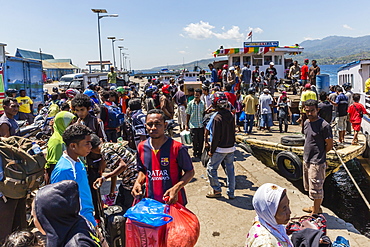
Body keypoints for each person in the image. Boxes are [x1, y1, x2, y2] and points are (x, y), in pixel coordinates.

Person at [132, 109, 195, 205]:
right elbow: (143, 171)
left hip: (174, 201)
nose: (153, 128)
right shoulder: (141, 147)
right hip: (151, 202)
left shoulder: (177, 148)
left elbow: (190, 172)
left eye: (158, 124)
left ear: (165, 125)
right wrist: (138, 183)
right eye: (149, 124)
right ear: (145, 126)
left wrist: (176, 188)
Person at [51, 124, 96, 226]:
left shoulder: (78, 160)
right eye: (87, 144)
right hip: (78, 223)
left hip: (87, 218)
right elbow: (58, 204)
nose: (90, 147)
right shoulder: (64, 170)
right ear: (73, 146)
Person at [32, 180, 101, 247]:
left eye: (34, 216)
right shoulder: (76, 223)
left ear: (47, 217)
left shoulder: (77, 244)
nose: (34, 221)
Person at [302, 99, 333, 214]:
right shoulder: (306, 123)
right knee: (309, 186)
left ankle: (315, 213)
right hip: (307, 159)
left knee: (317, 188)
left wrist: (321, 155)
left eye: (312, 111)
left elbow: (329, 144)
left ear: (317, 110)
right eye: (307, 111)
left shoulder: (324, 126)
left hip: (317, 161)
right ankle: (316, 207)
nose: (309, 113)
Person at [93, 139, 138, 213]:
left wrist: (104, 178)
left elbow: (123, 166)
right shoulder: (107, 146)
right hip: (128, 179)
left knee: (127, 209)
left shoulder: (106, 151)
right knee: (119, 204)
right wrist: (112, 191)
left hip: (132, 179)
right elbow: (115, 171)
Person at [205, 92, 236, 199]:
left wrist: (211, 151)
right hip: (231, 148)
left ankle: (217, 190)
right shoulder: (231, 115)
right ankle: (231, 193)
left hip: (219, 149)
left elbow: (216, 137)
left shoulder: (217, 118)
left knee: (211, 168)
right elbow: (233, 132)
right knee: (230, 170)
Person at [245, 183, 293, 247]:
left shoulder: (262, 220)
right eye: (284, 209)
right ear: (269, 213)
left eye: (288, 205)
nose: (289, 212)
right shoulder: (267, 244)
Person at [45, 111, 77, 185]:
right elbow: (54, 166)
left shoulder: (66, 139)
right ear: (61, 124)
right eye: (70, 124)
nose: (72, 126)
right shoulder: (57, 141)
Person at [186, 88, 205, 159]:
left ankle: (200, 152)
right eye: (195, 95)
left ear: (200, 95)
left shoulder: (202, 103)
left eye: (197, 95)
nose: (196, 96)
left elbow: (204, 114)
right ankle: (195, 151)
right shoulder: (190, 103)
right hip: (193, 125)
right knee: (194, 140)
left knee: (201, 140)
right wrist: (186, 124)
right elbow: (188, 114)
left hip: (201, 125)